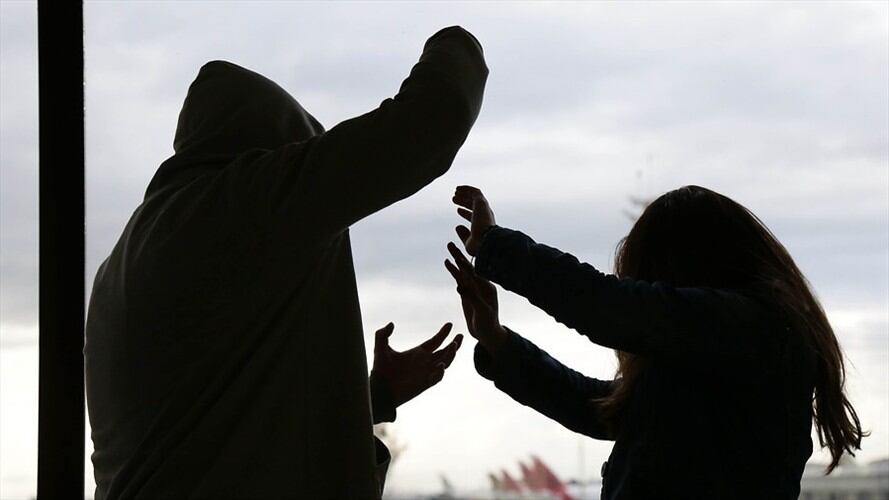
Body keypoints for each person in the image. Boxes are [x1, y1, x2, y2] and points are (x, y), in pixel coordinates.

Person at [85, 26, 487, 499]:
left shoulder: (125, 261)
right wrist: (458, 40)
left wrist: (374, 397)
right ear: (271, 146)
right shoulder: (248, 206)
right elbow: (433, 119)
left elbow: (206, 419)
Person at [445, 185, 866, 500]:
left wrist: (497, 247)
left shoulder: (752, 328)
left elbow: (606, 307)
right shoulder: (739, 341)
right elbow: (606, 408)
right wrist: (497, 341)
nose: (646, 291)